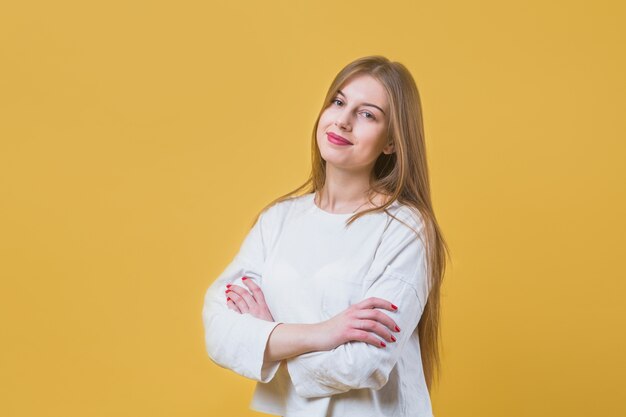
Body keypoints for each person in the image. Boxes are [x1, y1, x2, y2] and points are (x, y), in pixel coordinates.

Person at [202, 55, 450, 417]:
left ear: (392, 143)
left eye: (367, 114)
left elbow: (364, 362)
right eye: (338, 101)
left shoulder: (405, 229)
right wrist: (325, 333)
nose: (343, 121)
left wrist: (270, 341)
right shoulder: (278, 220)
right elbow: (219, 330)